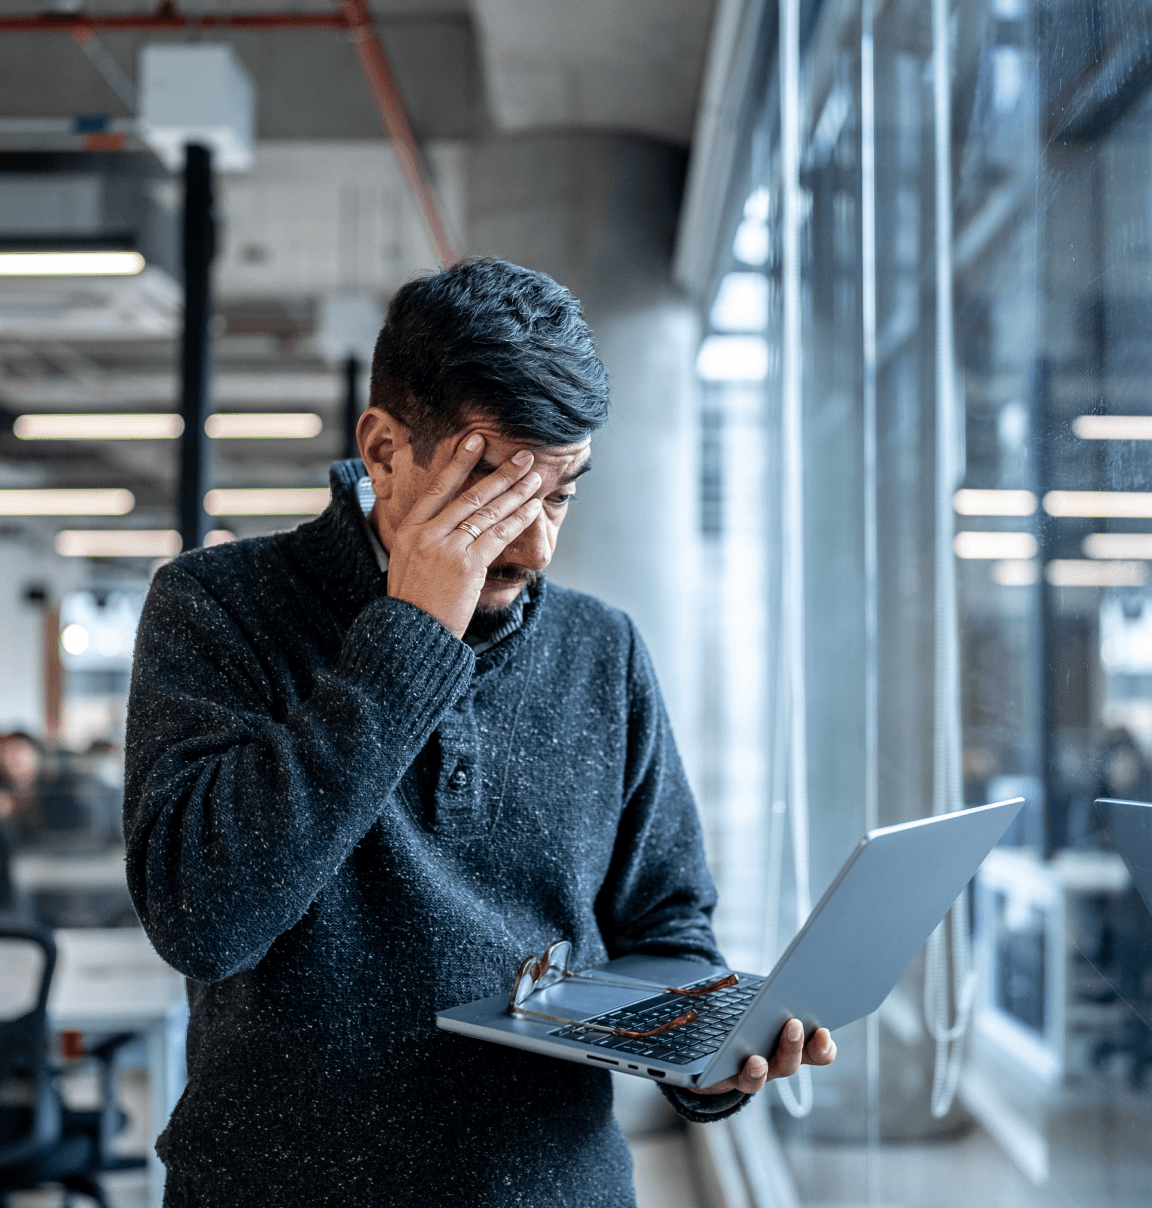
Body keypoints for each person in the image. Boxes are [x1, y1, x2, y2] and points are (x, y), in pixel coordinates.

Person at [123, 259, 835, 1207]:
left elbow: (665, 925)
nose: (535, 544)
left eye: (562, 495)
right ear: (383, 450)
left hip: (554, 1189)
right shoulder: (216, 607)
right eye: (494, 492)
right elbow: (203, 921)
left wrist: (704, 1053)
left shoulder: (602, 648)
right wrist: (410, 639)